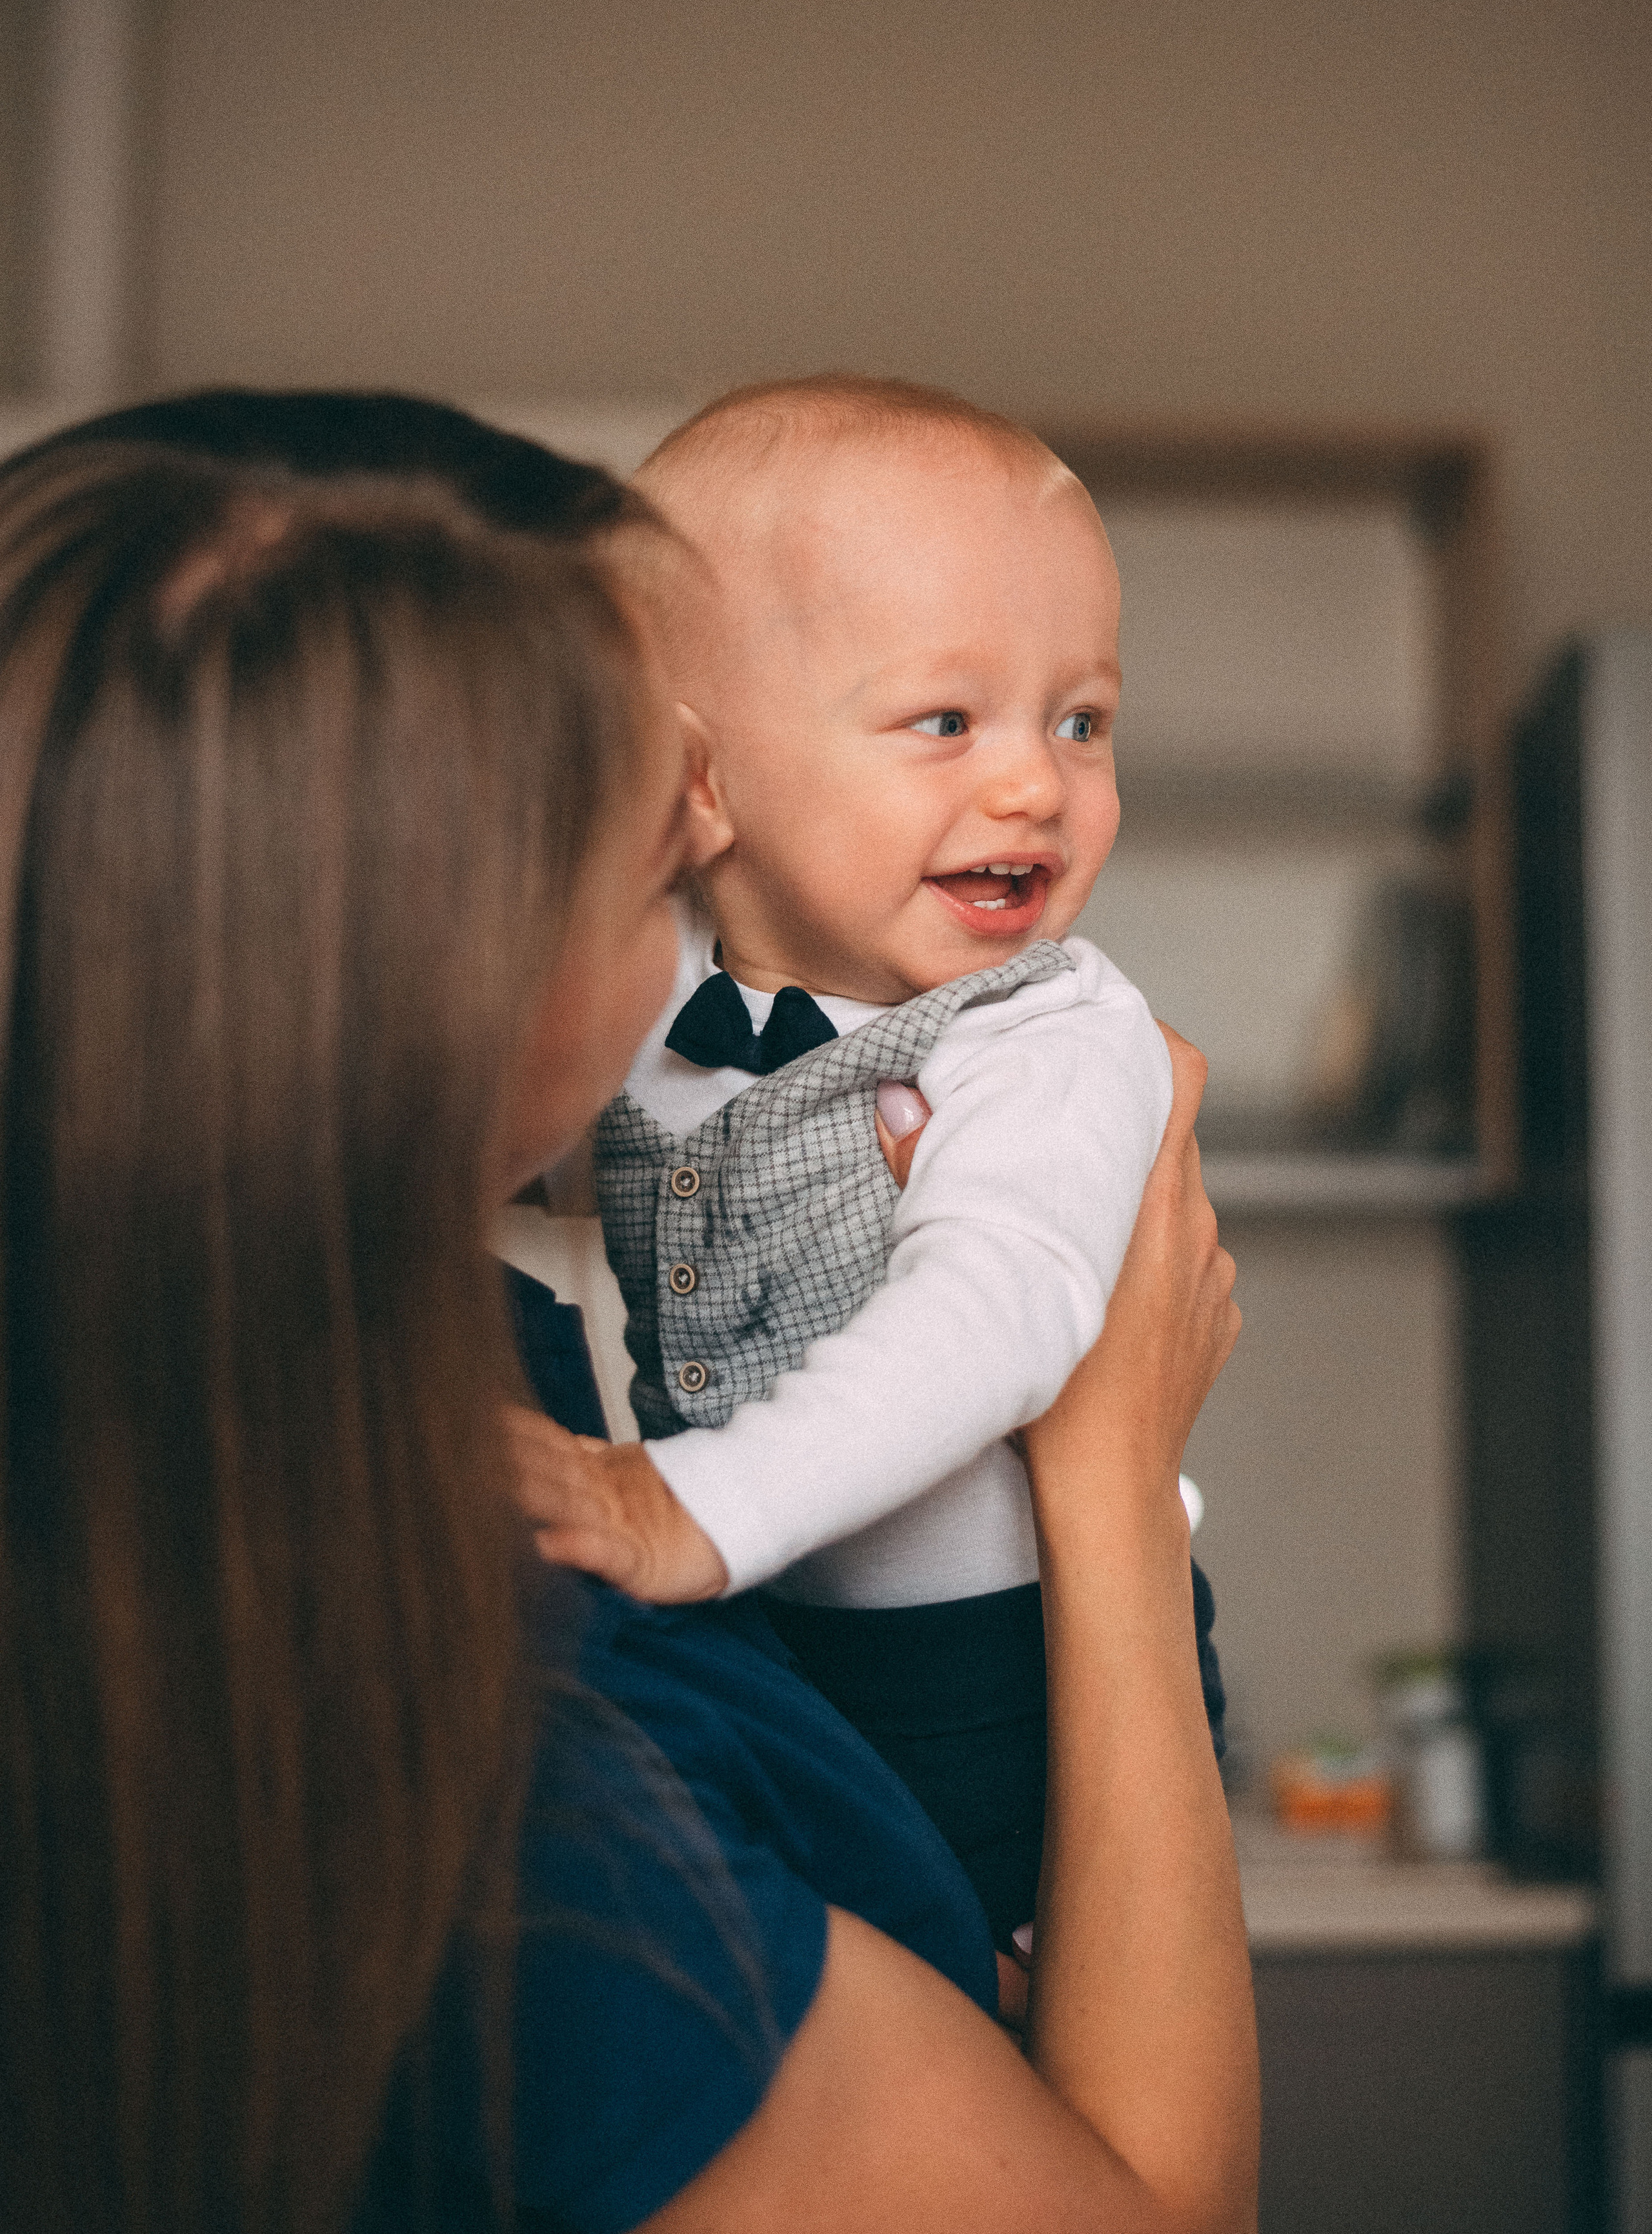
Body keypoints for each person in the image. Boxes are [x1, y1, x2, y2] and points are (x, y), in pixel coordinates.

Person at [0, 396, 1254, 2234]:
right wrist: (1114, 1476)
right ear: (478, 1012)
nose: (706, 848)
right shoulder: (536, 1825)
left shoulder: (437, 1412)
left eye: (1082, 718)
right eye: (662, 860)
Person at [512, 373, 1218, 1944]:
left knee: (1020, 2071)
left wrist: (685, 1510)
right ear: (701, 777)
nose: (1034, 782)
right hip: (774, 1639)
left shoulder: (1047, 1036)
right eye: (944, 720)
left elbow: (995, 1317)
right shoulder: (650, 993)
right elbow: (533, 1148)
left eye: (1079, 719)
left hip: (1002, 1675)